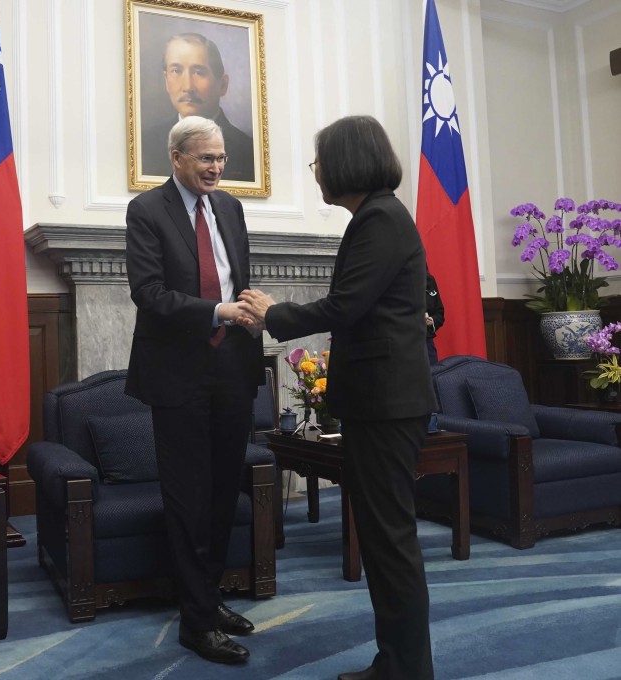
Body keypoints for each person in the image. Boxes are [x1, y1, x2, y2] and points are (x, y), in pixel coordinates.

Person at [238, 115, 437, 680]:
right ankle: (395, 663)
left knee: (390, 542)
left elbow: (345, 306)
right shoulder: (375, 217)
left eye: (319, 162)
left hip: (388, 405)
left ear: (348, 162)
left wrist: (273, 314)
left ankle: (408, 671)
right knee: (382, 540)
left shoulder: (381, 219)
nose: (317, 172)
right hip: (381, 402)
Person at [125, 115, 264, 665]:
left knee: (224, 491)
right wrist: (216, 311)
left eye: (222, 157)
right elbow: (148, 293)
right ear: (177, 157)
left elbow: (236, 278)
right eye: (206, 158)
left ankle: (208, 598)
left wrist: (247, 308)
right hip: (178, 372)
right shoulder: (147, 210)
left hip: (233, 365)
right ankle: (196, 623)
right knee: (188, 498)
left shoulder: (230, 207)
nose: (217, 167)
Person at [142, 33, 256, 182]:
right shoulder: (146, 143)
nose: (188, 87)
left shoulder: (248, 150)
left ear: (223, 85)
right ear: (166, 80)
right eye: (176, 71)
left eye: (198, 72)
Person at [425, 269, 445, 365]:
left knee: (433, 372)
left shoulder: (429, 280)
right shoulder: (400, 281)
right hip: (405, 342)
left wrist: (431, 320)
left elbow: (439, 313)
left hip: (427, 341)